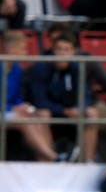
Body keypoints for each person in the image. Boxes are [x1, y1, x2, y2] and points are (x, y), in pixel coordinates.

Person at [28, 31, 99, 162]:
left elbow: (86, 95)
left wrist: (80, 107)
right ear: (53, 50)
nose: (62, 53)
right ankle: (50, 161)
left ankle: (87, 161)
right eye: (59, 49)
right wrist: (63, 110)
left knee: (92, 113)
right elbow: (40, 101)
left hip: (71, 111)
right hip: (52, 111)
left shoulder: (78, 68)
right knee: (43, 114)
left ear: (73, 52)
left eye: (66, 50)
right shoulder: (41, 67)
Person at [0, 31, 66, 162]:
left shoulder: (16, 69)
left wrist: (22, 105)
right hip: (3, 111)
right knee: (25, 122)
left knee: (41, 115)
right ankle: (54, 157)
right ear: (11, 49)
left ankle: (45, 162)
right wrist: (11, 109)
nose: (25, 52)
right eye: (23, 48)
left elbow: (16, 97)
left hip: (8, 111)